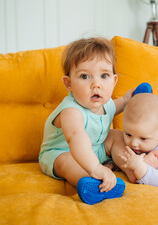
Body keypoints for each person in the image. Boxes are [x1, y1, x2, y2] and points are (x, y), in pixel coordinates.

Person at [39, 37, 134, 193]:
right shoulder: (71, 111)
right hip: (62, 153)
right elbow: (76, 137)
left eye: (104, 76)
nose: (96, 84)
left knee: (116, 135)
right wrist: (95, 168)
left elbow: (118, 105)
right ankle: (92, 185)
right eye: (85, 76)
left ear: (114, 81)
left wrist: (129, 98)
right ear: (68, 84)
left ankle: (132, 168)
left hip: (94, 149)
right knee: (67, 162)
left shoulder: (106, 103)